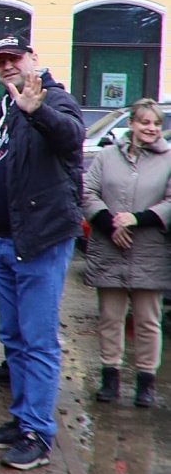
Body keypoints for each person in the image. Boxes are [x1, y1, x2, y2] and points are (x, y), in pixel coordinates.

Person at [0, 37, 84, 470]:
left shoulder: (53, 100)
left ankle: (38, 431)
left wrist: (38, 112)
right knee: (14, 337)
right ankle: (21, 421)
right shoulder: (2, 108)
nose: (6, 67)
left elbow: (72, 137)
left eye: (13, 59)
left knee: (37, 340)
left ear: (34, 59)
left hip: (37, 240)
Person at [83, 99, 171, 408]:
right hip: (110, 248)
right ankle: (111, 376)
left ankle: (146, 381)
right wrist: (109, 222)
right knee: (110, 317)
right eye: (145, 122)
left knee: (148, 320)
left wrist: (137, 219)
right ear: (132, 124)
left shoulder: (169, 159)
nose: (151, 129)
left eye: (157, 124)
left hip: (149, 249)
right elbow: (88, 192)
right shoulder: (107, 156)